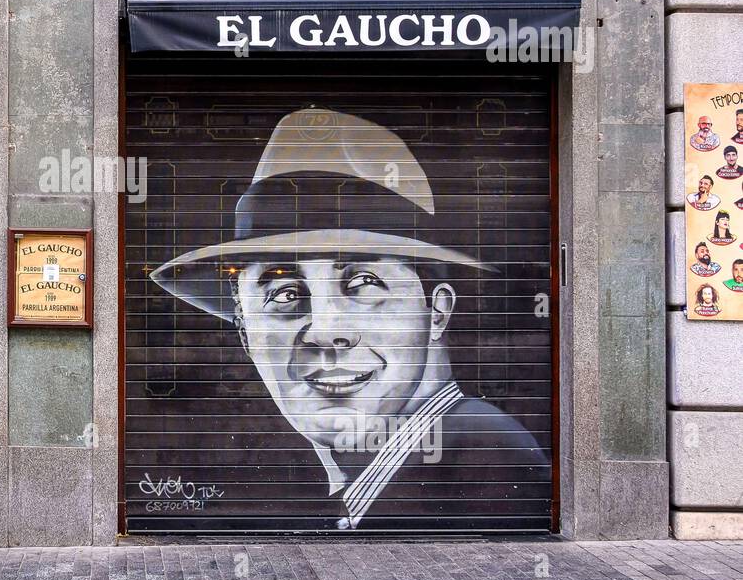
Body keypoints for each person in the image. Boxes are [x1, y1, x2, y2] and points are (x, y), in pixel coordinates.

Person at [149, 108, 548, 531]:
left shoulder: (492, 467)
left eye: (363, 283)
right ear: (245, 332)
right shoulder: (382, 488)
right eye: (284, 294)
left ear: (436, 312)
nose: (325, 331)